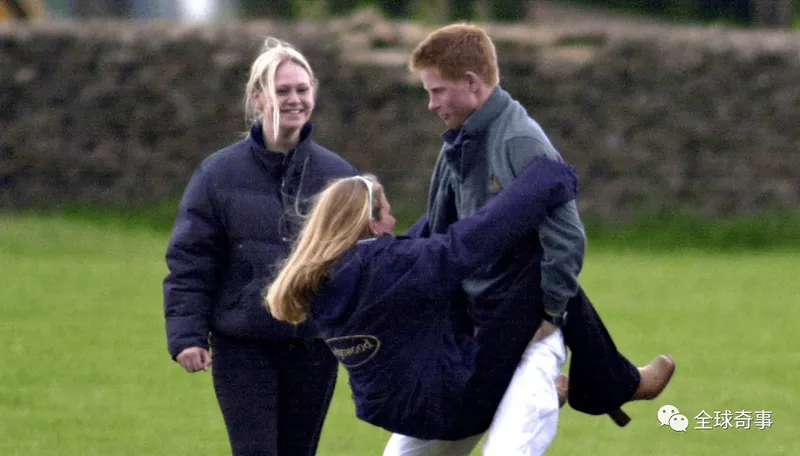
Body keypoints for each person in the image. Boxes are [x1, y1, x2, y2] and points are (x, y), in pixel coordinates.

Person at [385, 23, 676, 455]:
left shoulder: (519, 140)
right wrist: (378, 260)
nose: (431, 104)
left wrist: (549, 312)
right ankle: (593, 384)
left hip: (530, 337)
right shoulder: (459, 143)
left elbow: (568, 237)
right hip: (474, 339)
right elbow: (439, 233)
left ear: (472, 83)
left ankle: (563, 385)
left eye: (438, 90)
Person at [266, 157, 579, 442]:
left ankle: (609, 379)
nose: (394, 220)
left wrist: (455, 185)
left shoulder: (322, 280)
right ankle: (604, 382)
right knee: (532, 266)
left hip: (403, 417)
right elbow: (466, 243)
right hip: (451, 407)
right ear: (371, 225)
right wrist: (548, 177)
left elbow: (415, 241)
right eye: (388, 214)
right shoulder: (384, 269)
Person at [162, 37, 358, 456]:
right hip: (242, 348)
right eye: (281, 90)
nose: (294, 99)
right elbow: (191, 260)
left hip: (313, 348)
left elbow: (360, 263)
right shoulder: (218, 174)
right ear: (258, 97)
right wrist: (187, 336)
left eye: (302, 89)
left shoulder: (339, 177)